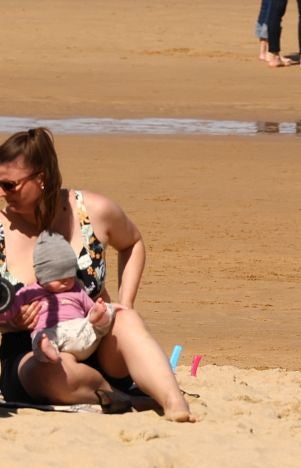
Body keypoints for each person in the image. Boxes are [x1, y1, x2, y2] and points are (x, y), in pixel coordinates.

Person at [0, 128, 193, 420]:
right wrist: (8, 321)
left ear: (41, 179)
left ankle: (173, 403)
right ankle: (119, 396)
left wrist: (124, 304)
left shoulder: (90, 210)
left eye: (9, 184)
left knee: (127, 318)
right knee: (52, 372)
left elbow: (133, 242)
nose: (1, 192)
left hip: (97, 339)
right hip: (34, 354)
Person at [15, 230, 117, 363]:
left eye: (69, 276)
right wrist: (15, 314)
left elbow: (88, 307)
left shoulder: (76, 290)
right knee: (40, 339)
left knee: (104, 312)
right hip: (51, 332)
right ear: (41, 275)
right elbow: (13, 306)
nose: (66, 281)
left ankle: (100, 319)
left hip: (80, 330)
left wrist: (95, 311)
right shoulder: (31, 291)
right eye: (58, 277)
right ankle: (48, 351)